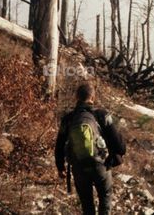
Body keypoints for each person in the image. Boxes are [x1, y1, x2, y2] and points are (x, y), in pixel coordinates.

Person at [55, 82, 126, 215]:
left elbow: (59, 145)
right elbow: (119, 146)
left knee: (87, 203)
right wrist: (118, 153)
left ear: (76, 97)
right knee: (105, 197)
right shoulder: (102, 115)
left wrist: (60, 167)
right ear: (92, 97)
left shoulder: (68, 119)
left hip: (79, 167)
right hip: (101, 166)